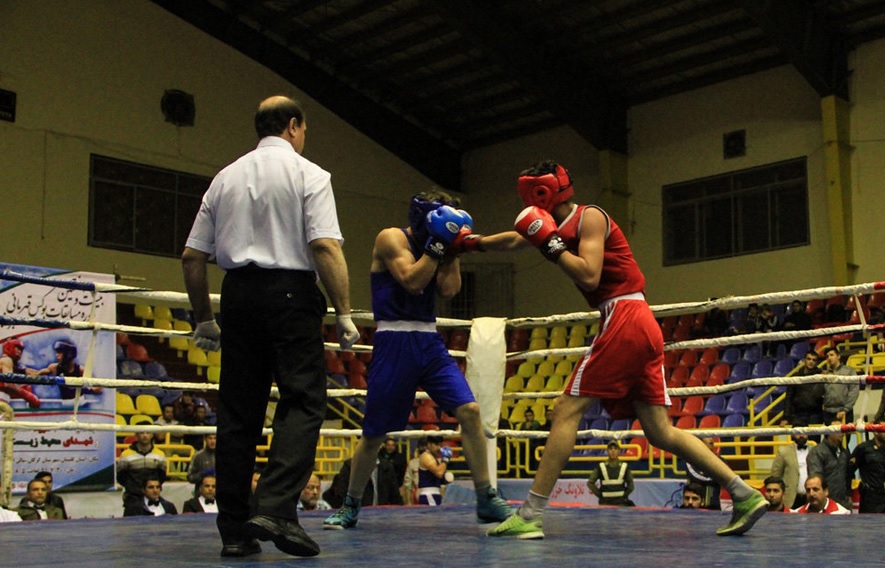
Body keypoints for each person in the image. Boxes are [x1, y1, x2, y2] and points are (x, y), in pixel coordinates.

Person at [475, 160, 765, 539]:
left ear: (537, 192)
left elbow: (589, 274)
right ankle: (744, 494)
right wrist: (469, 245)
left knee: (565, 410)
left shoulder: (590, 217)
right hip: (640, 322)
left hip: (624, 314)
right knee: (660, 432)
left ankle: (529, 514)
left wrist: (551, 244)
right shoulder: (551, 227)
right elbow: (515, 238)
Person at [182, 95, 358, 558]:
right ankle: (277, 506)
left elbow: (192, 258)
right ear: (295, 126)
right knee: (303, 400)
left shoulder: (224, 178)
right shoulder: (309, 174)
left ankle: (235, 531)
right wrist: (343, 311)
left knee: (239, 415)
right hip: (289, 295)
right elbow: (324, 247)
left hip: (237, 296)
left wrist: (204, 318)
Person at [322, 191, 512, 530]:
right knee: (376, 432)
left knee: (469, 411)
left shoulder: (438, 245)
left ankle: (486, 497)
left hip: (429, 341)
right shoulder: (391, 238)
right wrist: (438, 245)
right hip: (394, 340)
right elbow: (411, 281)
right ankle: (350, 503)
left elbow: (450, 290)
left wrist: (451, 250)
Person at [116, 421, 167, 513]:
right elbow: (121, 477)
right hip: (132, 498)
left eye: (148, 432)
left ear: (152, 435)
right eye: (141, 432)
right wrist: (133, 488)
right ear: (136, 434)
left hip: (152, 499)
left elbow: (162, 476)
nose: (145, 435)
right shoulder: (125, 455)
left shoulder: (160, 454)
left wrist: (150, 490)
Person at [807, 421, 852, 510]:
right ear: (828, 432)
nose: (842, 433)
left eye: (843, 430)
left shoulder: (845, 453)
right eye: (838, 430)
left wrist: (848, 494)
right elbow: (815, 479)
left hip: (843, 503)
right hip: (823, 504)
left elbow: (848, 476)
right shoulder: (817, 452)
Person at [770, 422, 811, 509]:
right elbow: (775, 477)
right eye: (798, 433)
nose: (801, 435)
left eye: (804, 432)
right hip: (790, 499)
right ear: (792, 434)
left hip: (810, 498)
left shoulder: (815, 450)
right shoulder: (783, 452)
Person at [780, 352, 825, 428]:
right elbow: (788, 398)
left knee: (814, 439)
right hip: (798, 415)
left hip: (815, 415)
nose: (811, 362)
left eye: (814, 360)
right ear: (804, 360)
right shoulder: (795, 377)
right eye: (809, 359)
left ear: (817, 363)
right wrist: (786, 417)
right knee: (797, 439)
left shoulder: (821, 376)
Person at [849, 418, 885, 513]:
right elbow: (849, 471)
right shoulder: (864, 448)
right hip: (870, 498)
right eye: (883, 429)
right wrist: (848, 493)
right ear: (876, 431)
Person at [586, 441, 634, 506]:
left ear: (619, 451)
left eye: (615, 448)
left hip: (619, 504)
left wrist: (623, 496)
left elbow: (631, 486)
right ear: (607, 451)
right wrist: (601, 495)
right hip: (607, 504)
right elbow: (590, 483)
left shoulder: (624, 466)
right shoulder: (601, 466)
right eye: (610, 449)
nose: (613, 451)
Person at [685, 437, 724, 510]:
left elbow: (724, 478)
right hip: (694, 506)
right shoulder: (691, 459)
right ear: (700, 442)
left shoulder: (721, 460)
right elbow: (695, 476)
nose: (711, 439)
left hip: (714, 506)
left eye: (712, 437)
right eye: (707, 437)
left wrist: (717, 477)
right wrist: (715, 477)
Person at [821, 348, 859, 424]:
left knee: (845, 435)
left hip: (845, 411)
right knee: (828, 436)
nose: (829, 358)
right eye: (827, 356)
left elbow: (854, 391)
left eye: (831, 355)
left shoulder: (849, 371)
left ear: (838, 356)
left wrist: (845, 409)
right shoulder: (824, 374)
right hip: (828, 412)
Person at [0, 339, 41, 409]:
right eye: (18, 348)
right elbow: (9, 384)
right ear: (9, 347)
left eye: (21, 350)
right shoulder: (7, 360)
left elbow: (4, 387)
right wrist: (27, 395)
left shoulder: (11, 364)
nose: (20, 352)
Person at [402, 438, 427, 505]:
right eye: (422, 446)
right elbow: (408, 484)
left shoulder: (435, 462)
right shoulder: (413, 463)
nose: (424, 448)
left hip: (432, 492)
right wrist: (408, 502)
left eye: (425, 445)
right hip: (418, 493)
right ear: (418, 447)